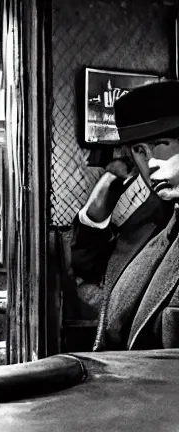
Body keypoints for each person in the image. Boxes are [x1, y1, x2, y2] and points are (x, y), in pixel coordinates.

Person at [72, 79, 179, 351]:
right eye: (140, 151)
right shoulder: (153, 216)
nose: (151, 164)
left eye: (162, 144)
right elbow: (88, 267)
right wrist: (108, 183)